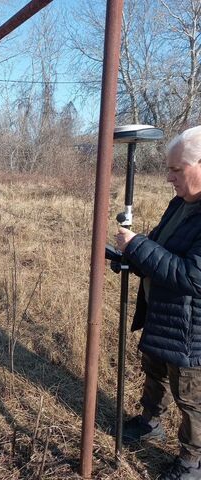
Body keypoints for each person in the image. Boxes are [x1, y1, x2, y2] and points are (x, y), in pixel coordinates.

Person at [115, 125, 201, 480]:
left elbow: (192, 277)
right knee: (156, 374)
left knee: (192, 400)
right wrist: (132, 256)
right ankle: (150, 422)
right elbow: (163, 251)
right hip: (164, 318)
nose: (169, 178)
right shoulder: (181, 204)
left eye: (176, 170)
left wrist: (137, 246)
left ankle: (191, 465)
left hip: (191, 332)